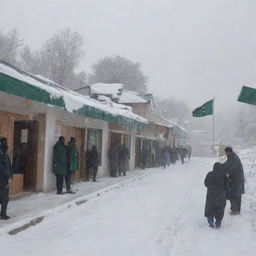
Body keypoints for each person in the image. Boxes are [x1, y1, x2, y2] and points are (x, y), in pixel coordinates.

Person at [222, 147, 245, 215]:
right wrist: (220, 166)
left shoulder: (234, 158)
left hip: (237, 180)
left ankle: (235, 211)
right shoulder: (232, 157)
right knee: (237, 195)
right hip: (237, 179)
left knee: (233, 194)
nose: (225, 154)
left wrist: (222, 170)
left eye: (226, 152)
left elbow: (230, 167)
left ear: (228, 152)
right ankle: (237, 210)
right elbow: (227, 164)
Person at [204, 162, 227, 228]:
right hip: (221, 196)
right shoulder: (224, 175)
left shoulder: (209, 174)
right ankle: (218, 223)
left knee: (210, 209)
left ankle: (211, 222)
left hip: (211, 196)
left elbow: (206, 183)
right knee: (220, 210)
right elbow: (227, 185)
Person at [0, 137, 12, 220]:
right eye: (4, 142)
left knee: (4, 196)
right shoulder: (2, 153)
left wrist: (10, 175)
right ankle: (3, 215)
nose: (6, 144)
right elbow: (2, 167)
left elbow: (8, 166)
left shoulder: (4, 153)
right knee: (4, 197)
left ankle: (3, 214)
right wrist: (8, 176)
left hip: (4, 178)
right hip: (2, 178)